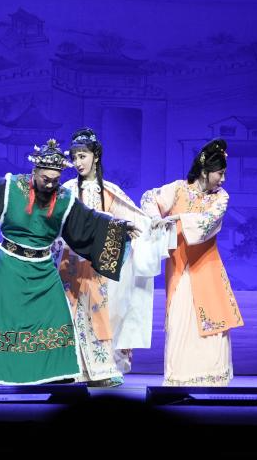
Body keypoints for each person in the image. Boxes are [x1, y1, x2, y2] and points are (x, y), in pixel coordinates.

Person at [0, 139, 137, 386]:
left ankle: (57, 373)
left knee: (56, 318)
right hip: (7, 265)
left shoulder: (64, 199)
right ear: (35, 172)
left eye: (55, 180)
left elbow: (88, 221)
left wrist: (119, 227)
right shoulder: (11, 187)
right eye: (45, 179)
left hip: (42, 269)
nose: (50, 184)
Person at [57, 128, 155, 386]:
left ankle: (102, 369)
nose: (78, 162)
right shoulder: (67, 191)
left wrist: (148, 227)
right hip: (70, 266)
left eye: (83, 156)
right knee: (68, 316)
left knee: (102, 316)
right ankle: (70, 370)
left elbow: (136, 221)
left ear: (96, 156)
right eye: (74, 157)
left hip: (98, 268)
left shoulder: (110, 191)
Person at [141, 138, 241, 387]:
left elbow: (207, 224)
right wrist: (156, 219)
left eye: (224, 174)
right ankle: (179, 379)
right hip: (180, 267)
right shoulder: (177, 189)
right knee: (180, 320)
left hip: (206, 266)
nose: (223, 179)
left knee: (211, 322)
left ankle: (212, 378)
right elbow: (149, 199)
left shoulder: (221, 198)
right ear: (205, 171)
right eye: (220, 173)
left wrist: (177, 219)